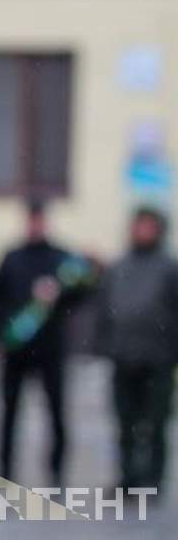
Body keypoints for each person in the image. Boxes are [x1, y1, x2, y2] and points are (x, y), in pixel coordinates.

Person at [0, 198, 91, 482]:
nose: (35, 225)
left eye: (39, 220)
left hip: (50, 348)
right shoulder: (12, 257)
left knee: (55, 410)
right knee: (9, 412)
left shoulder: (61, 258)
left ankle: (56, 472)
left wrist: (58, 295)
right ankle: (5, 471)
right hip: (16, 349)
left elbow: (82, 295)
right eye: (32, 220)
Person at [94, 206, 178, 500]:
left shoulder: (169, 268)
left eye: (148, 226)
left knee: (155, 422)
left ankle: (154, 479)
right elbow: (104, 308)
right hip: (123, 354)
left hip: (158, 357)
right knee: (124, 421)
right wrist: (102, 344)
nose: (142, 231)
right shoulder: (119, 267)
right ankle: (128, 477)